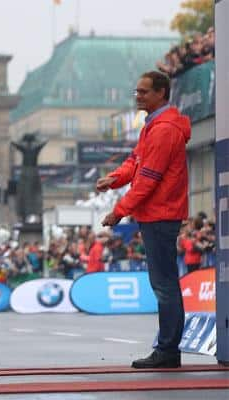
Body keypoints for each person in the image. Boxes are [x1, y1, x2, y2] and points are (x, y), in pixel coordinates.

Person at [97, 71, 190, 368]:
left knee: (164, 286)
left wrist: (118, 211)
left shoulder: (164, 130)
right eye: (136, 91)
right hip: (156, 212)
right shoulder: (154, 126)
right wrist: (114, 180)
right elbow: (135, 162)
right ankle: (167, 349)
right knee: (164, 284)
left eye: (143, 92)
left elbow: (148, 178)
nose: (137, 96)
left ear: (161, 93)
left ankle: (168, 351)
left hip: (161, 212)